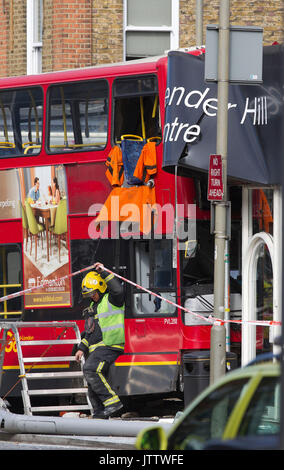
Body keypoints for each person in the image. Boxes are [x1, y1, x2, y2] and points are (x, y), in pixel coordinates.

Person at [75, 262, 125, 419]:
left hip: (110, 345)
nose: (91, 296)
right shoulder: (91, 307)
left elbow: (118, 289)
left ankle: (113, 403)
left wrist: (104, 272)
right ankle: (99, 414)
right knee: (91, 383)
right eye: (88, 295)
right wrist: (81, 348)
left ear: (101, 287)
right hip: (97, 349)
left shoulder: (112, 300)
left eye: (93, 293)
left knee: (90, 369)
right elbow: (88, 332)